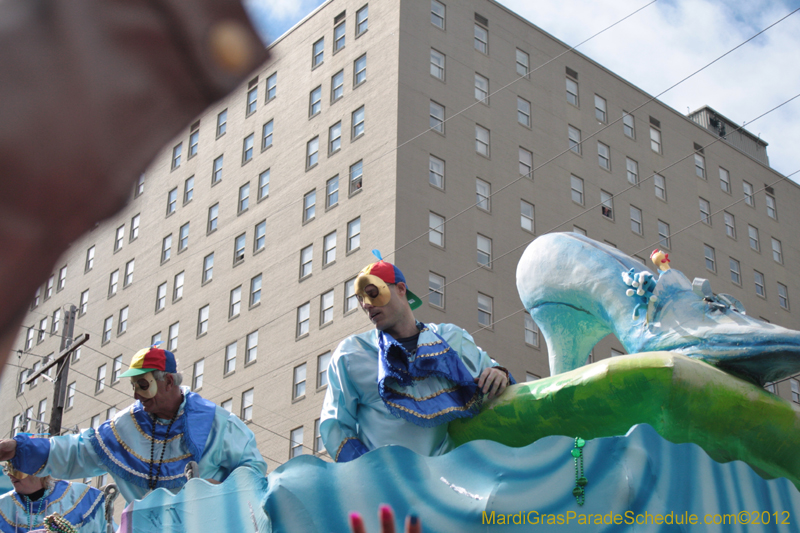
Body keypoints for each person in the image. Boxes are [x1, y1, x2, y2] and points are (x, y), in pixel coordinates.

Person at [0, 347, 267, 504]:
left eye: (143, 385)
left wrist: (222, 488)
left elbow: (253, 470)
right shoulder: (123, 426)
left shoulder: (218, 424)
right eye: (134, 386)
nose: (136, 395)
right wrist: (18, 448)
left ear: (169, 382)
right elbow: (77, 450)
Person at [320, 254, 513, 462]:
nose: (366, 305)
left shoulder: (452, 338)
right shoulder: (351, 354)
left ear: (401, 289)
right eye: (361, 299)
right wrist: (372, 471)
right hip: (384, 486)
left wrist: (498, 374)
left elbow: (497, 375)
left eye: (373, 293)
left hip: (446, 481)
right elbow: (335, 426)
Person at [0, 463, 107, 533]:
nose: (9, 474)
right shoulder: (3, 506)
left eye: (15, 468)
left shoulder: (83, 497)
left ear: (38, 469)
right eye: (7, 468)